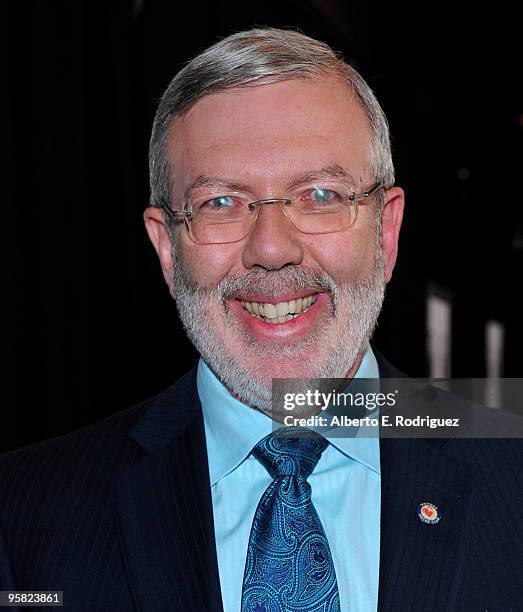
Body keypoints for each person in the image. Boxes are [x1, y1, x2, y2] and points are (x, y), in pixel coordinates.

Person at [0, 27, 521, 612]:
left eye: (320, 195)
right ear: (168, 250)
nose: (271, 249)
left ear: (386, 231)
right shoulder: (23, 514)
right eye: (220, 203)